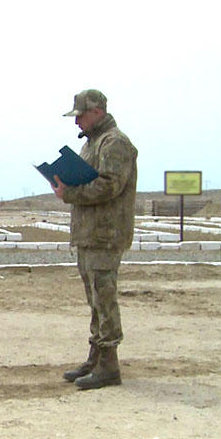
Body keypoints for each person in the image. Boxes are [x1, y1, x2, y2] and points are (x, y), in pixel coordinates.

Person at [52, 89, 138, 390]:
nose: (77, 123)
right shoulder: (93, 144)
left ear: (97, 112)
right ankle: (96, 356)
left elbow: (109, 186)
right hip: (90, 233)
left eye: (80, 116)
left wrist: (71, 193)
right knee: (95, 300)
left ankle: (109, 365)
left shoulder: (115, 143)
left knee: (104, 297)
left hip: (106, 233)